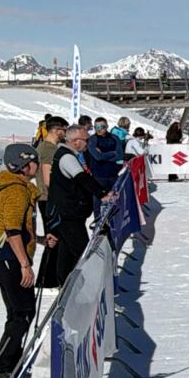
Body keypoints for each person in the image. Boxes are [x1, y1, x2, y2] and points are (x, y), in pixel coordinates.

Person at [0, 143, 51, 378]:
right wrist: (25, 265)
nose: (36, 165)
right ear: (23, 165)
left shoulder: (18, 187)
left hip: (7, 258)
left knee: (23, 312)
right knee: (20, 314)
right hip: (9, 260)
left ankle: (8, 364)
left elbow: (18, 228)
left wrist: (40, 239)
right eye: (33, 161)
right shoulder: (15, 191)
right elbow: (12, 230)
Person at [40, 126, 110, 288]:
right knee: (81, 252)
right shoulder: (66, 157)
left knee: (66, 252)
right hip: (68, 213)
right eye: (86, 140)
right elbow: (82, 178)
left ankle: (64, 285)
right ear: (76, 141)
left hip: (68, 213)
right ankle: (84, 288)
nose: (88, 143)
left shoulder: (67, 154)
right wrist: (103, 194)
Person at [34, 116, 69, 226]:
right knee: (54, 238)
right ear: (57, 131)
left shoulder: (42, 146)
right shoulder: (49, 149)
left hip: (46, 197)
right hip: (50, 198)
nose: (66, 134)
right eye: (64, 130)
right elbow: (48, 179)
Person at [87, 118, 123, 186]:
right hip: (98, 176)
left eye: (102, 127)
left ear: (107, 126)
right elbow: (98, 157)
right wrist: (113, 153)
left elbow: (120, 155)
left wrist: (103, 156)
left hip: (113, 174)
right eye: (97, 127)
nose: (99, 129)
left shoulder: (115, 138)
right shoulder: (92, 139)